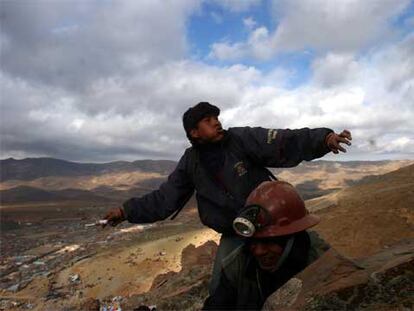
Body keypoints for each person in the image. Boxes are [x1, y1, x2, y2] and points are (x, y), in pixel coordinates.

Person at [103, 101, 351, 293]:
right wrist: (126, 212)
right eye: (209, 121)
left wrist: (322, 139)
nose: (217, 123)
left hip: (272, 224)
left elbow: (283, 141)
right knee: (221, 286)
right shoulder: (191, 162)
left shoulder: (241, 139)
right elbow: (164, 199)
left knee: (317, 254)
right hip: (236, 233)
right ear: (195, 132)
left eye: (217, 119)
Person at [203, 180, 331, 310]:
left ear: (292, 238)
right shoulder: (238, 264)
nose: (258, 251)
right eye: (253, 241)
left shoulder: (324, 266)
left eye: (268, 241)